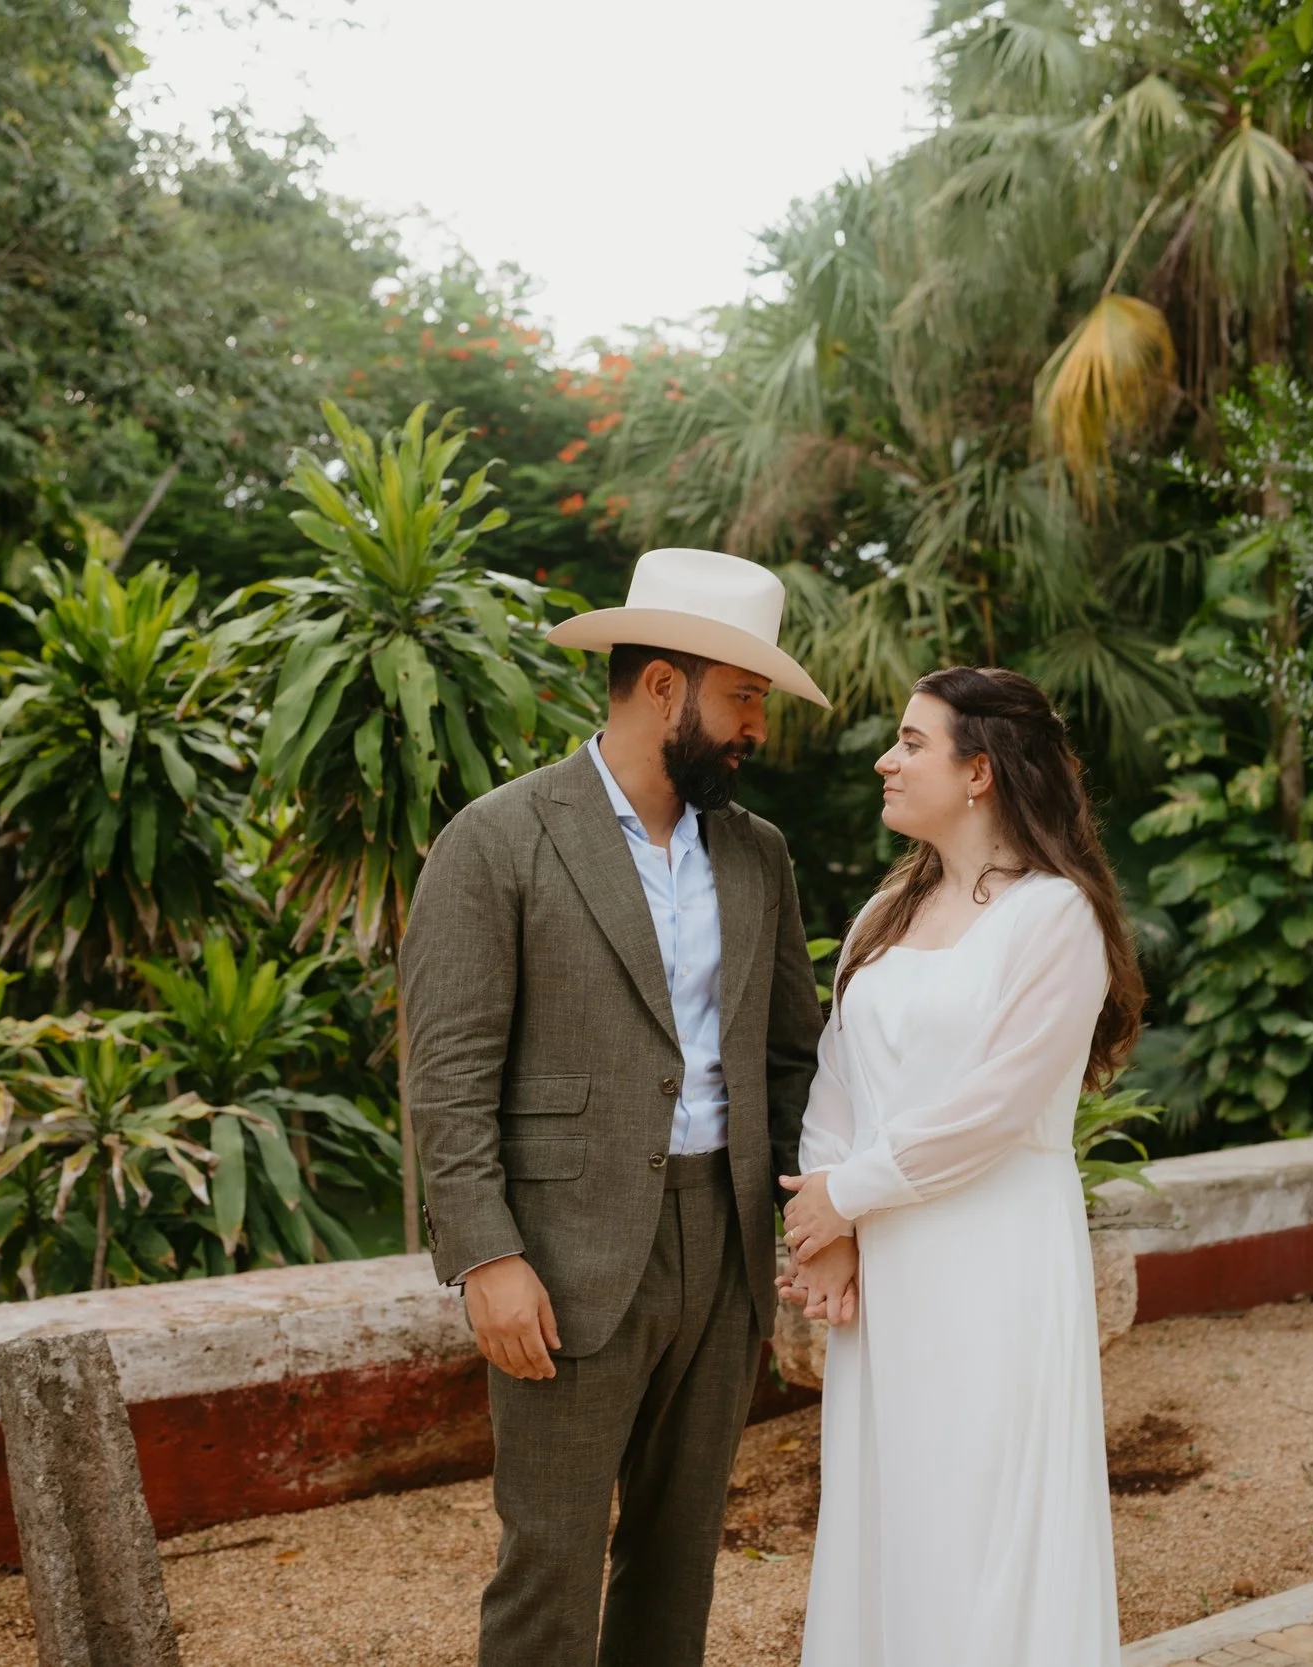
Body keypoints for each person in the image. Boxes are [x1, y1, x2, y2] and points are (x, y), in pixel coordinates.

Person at [400, 547, 829, 1667]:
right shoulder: (497, 839)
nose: (756, 728)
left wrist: (812, 1211)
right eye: (743, 697)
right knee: (547, 1561)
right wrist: (484, 1252)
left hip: (723, 1248)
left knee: (679, 1553)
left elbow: (789, 1055)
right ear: (661, 688)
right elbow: (444, 1071)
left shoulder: (759, 854)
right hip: (560, 1253)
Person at [778, 665, 1145, 1667]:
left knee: (984, 1518)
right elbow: (837, 1075)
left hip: (996, 1260)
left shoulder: (1054, 916)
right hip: (889, 1266)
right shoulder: (886, 912)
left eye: (909, 741)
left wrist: (846, 1193)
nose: (883, 759)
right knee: (890, 1506)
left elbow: (999, 1104)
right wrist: (831, 1227)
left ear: (978, 770)